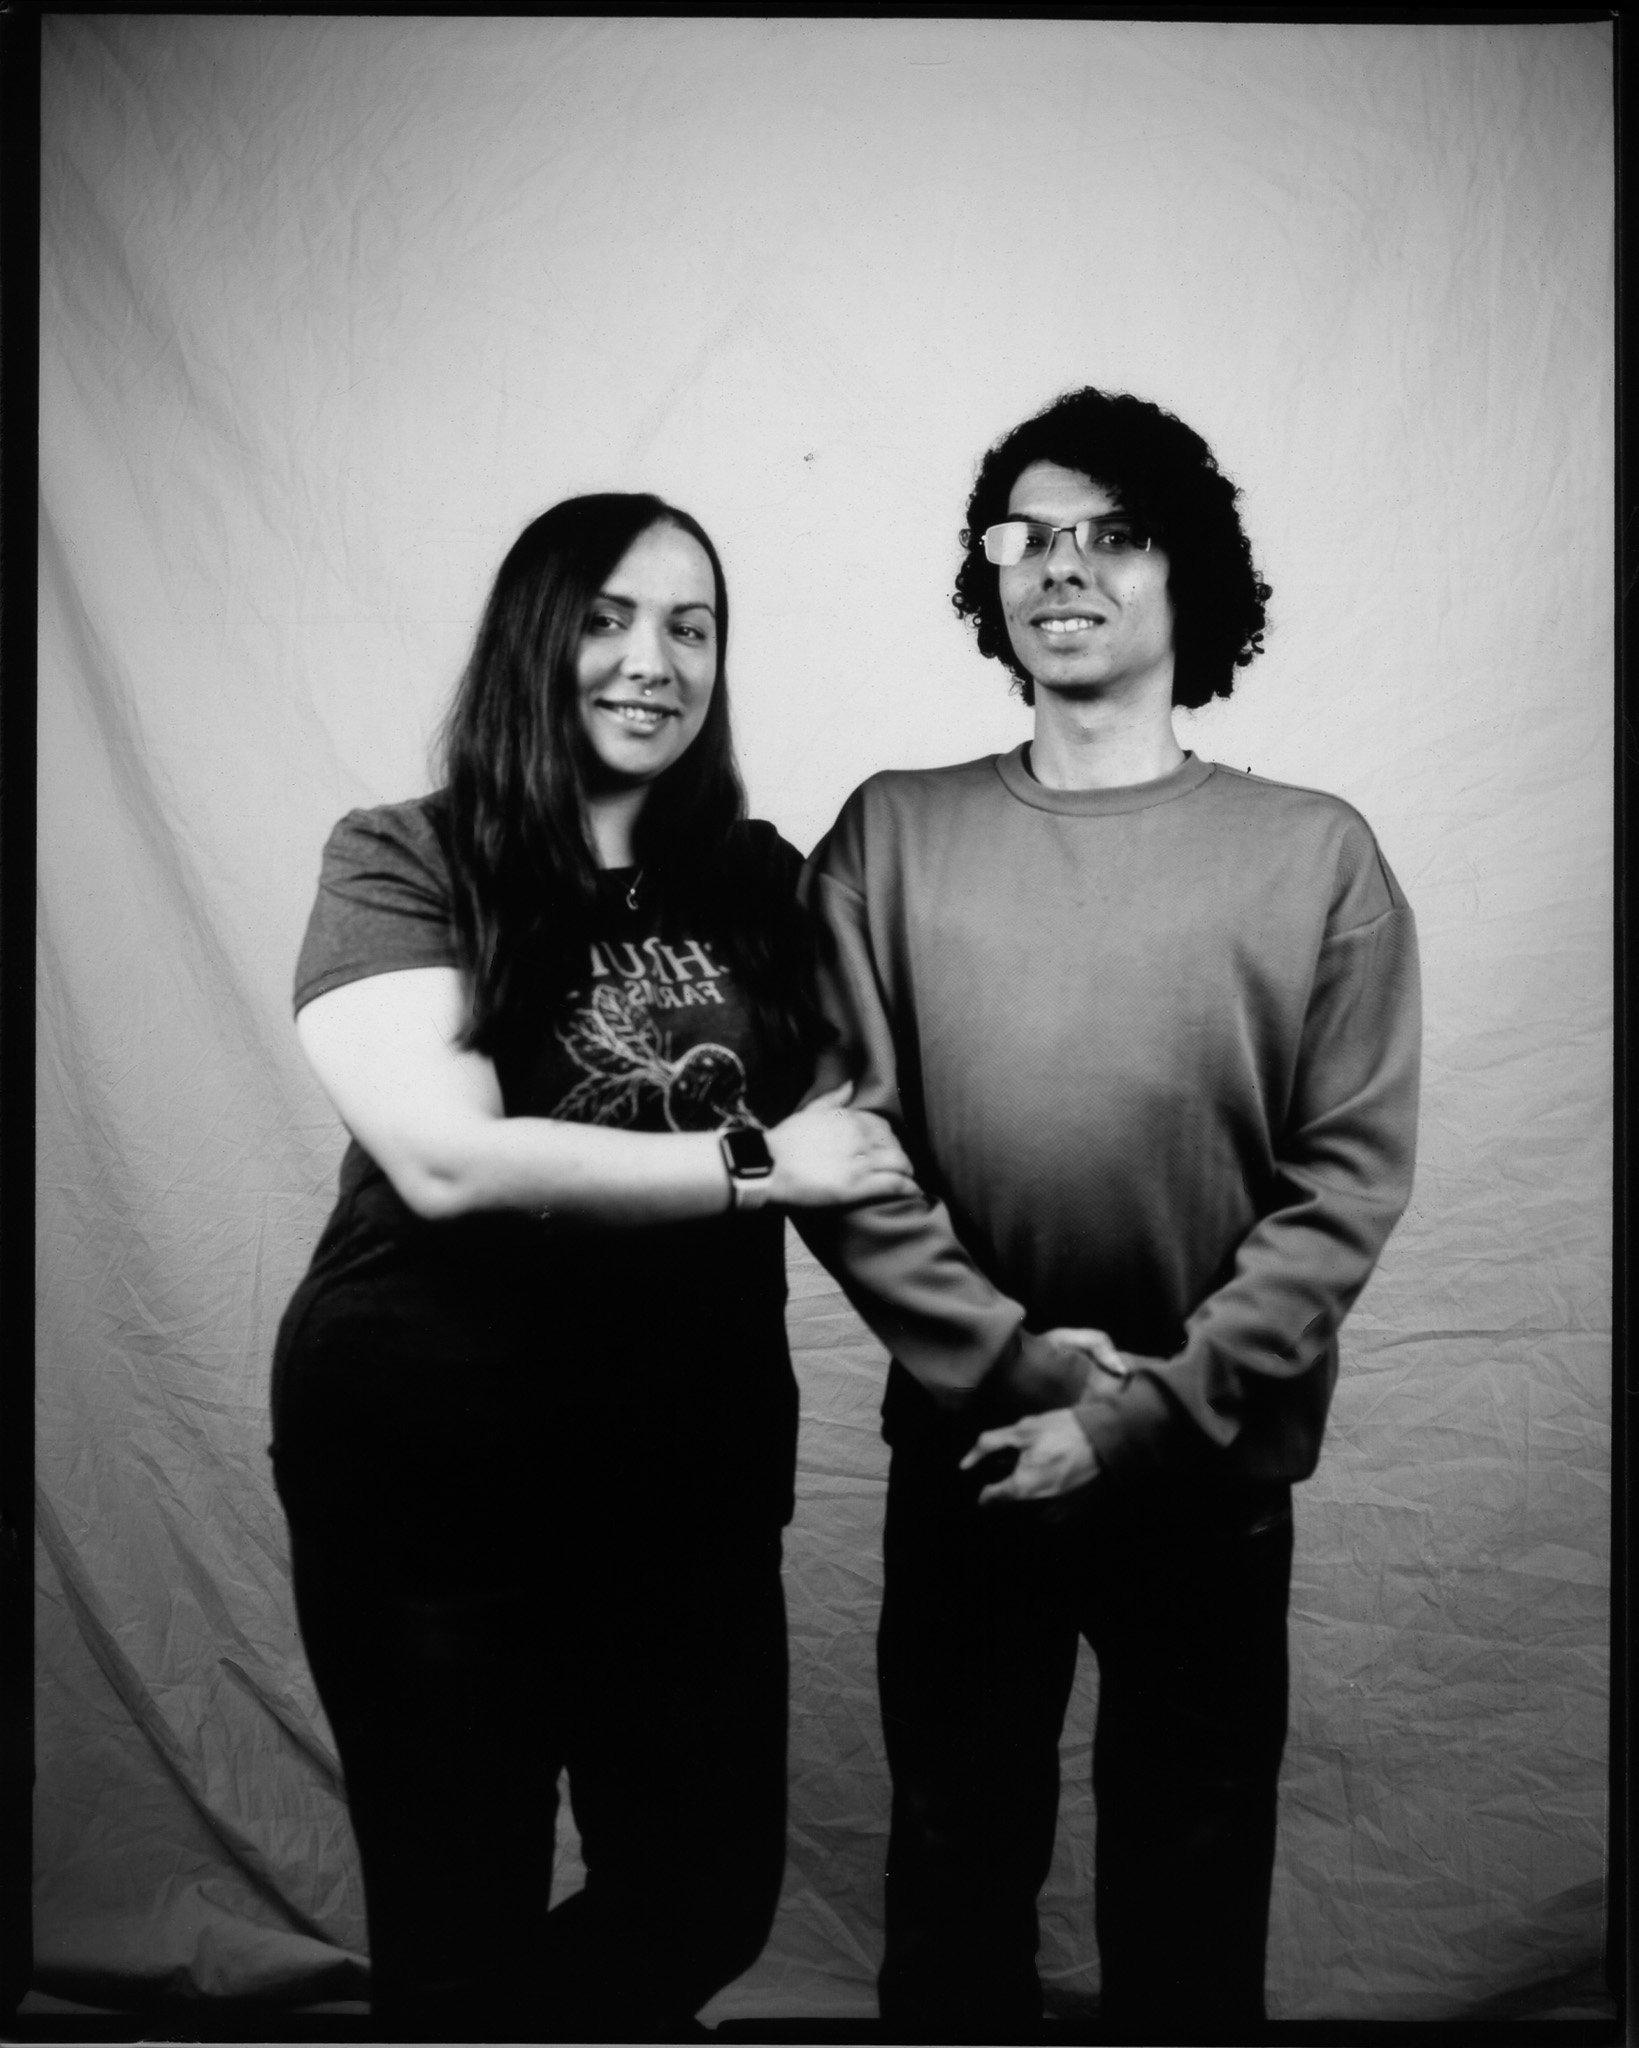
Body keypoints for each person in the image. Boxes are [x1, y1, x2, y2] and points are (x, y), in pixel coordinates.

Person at [797, 387, 1421, 2039]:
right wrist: (1025, 1386)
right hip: (975, 1458)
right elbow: (848, 1160)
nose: (1061, 566)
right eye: (1026, 533)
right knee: (951, 1879)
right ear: (988, 580)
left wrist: (1145, 1419)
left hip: (1208, 1470)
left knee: (1192, 1898)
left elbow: (1344, 1185)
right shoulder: (889, 837)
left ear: (1187, 576)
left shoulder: (1318, 858)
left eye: (1112, 533)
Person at [269, 493, 917, 2043]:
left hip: (684, 1475)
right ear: (534, 637)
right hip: (430, 1471)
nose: (652, 661)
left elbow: (882, 1126)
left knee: (702, 1896)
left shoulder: (759, 884)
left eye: (690, 627)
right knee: (458, 1915)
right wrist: (756, 1163)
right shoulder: (406, 857)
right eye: (611, 619)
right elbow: (446, 1158)